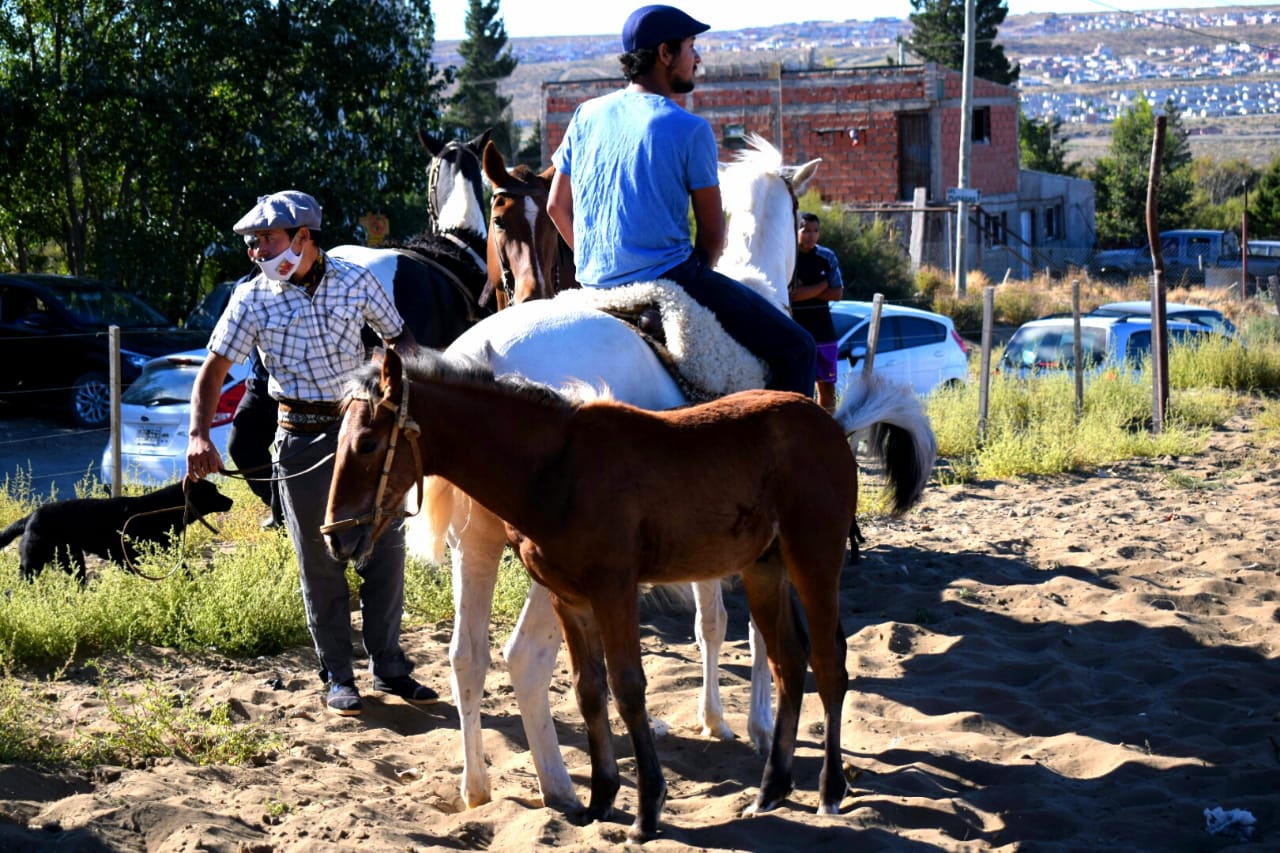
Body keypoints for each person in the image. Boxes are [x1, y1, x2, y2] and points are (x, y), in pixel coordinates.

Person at [186, 190, 436, 717]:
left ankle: (390, 666)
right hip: (298, 439)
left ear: (304, 237)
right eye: (253, 243)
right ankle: (338, 677)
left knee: (385, 552)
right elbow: (212, 371)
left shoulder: (355, 280)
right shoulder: (251, 298)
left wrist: (408, 394)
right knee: (322, 563)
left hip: (359, 434)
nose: (256, 251)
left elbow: (400, 339)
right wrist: (198, 435)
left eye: (266, 239)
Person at [546, 4, 815, 396]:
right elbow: (712, 234)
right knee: (799, 349)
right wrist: (697, 274)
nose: (697, 57)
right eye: (691, 46)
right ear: (665, 54)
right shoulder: (690, 128)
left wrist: (597, 260)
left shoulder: (585, 114)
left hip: (593, 282)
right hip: (669, 278)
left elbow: (556, 206)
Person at [790, 212, 845, 414]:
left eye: (815, 231)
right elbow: (792, 296)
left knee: (827, 389)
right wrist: (823, 285)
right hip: (796, 333)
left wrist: (808, 290)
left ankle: (827, 436)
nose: (810, 235)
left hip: (824, 332)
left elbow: (838, 293)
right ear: (796, 230)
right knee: (798, 392)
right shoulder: (789, 257)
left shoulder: (826, 257)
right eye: (805, 230)